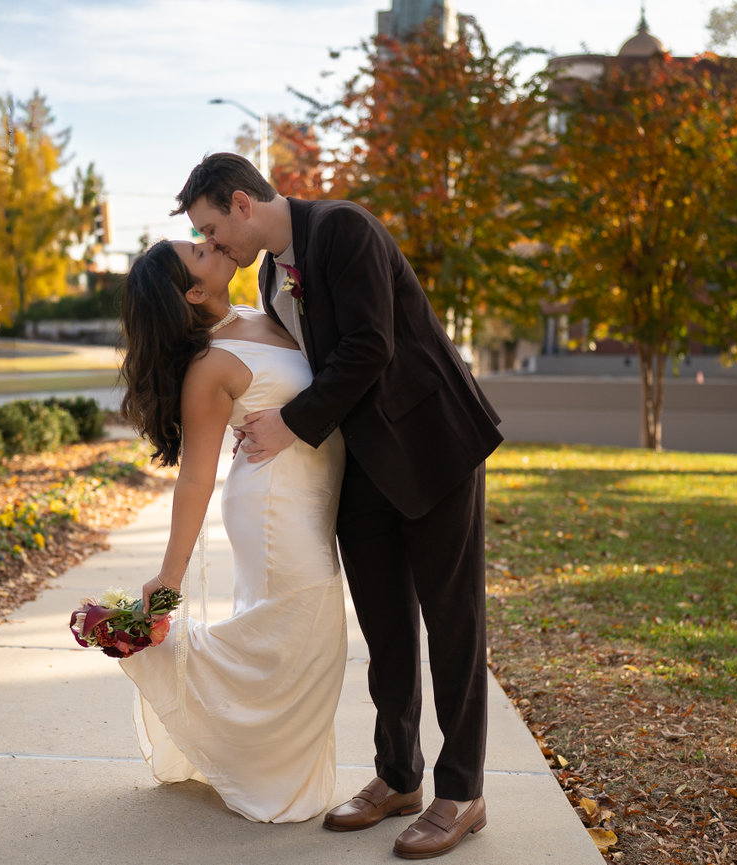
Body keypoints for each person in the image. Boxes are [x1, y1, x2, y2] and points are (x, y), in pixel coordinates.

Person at [174, 153, 503, 860]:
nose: (213, 246)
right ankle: (398, 775)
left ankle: (462, 790)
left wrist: (289, 423)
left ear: (239, 202)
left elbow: (368, 347)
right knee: (386, 631)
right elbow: (299, 365)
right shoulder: (267, 273)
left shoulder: (343, 229)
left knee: (452, 625)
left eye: (210, 228)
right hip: (358, 470)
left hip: (431, 445)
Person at [117, 238, 347, 823]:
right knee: (304, 644)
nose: (211, 243)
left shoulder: (258, 310)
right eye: (197, 250)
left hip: (311, 499)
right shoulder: (210, 364)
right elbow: (195, 478)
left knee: (286, 645)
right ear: (195, 292)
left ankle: (263, 767)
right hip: (274, 510)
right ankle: (268, 775)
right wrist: (169, 576)